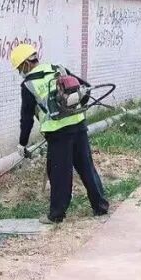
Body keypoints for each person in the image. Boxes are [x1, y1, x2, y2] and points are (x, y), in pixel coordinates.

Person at [10, 44, 110, 223]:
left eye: (19, 68)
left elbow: (26, 119)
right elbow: (85, 88)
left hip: (58, 134)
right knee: (87, 168)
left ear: (25, 64)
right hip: (78, 125)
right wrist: (76, 110)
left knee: (59, 174)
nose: (20, 72)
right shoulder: (58, 69)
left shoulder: (28, 85)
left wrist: (22, 143)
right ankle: (100, 206)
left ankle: (56, 215)